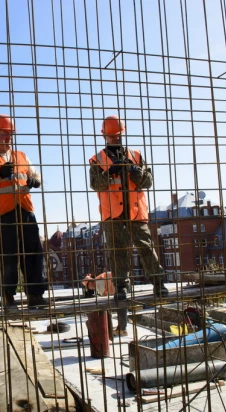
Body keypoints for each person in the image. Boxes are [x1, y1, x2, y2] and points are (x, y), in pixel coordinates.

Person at [89, 114, 168, 337]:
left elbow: (148, 181)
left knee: (146, 247)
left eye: (117, 135)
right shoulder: (97, 160)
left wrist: (138, 172)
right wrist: (110, 173)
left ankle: (159, 283)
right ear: (104, 135)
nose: (114, 139)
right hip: (113, 214)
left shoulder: (136, 156)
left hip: (134, 211)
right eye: (111, 136)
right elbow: (95, 184)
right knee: (117, 253)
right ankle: (121, 288)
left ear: (121, 134)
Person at [0, 114, 48, 309]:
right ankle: (7, 296)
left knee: (33, 253)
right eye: (5, 134)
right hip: (0, 214)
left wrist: (35, 181)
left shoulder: (21, 156)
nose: (9, 138)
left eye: (11, 134)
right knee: (4, 256)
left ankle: (35, 295)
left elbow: (36, 174)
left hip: (24, 210)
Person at [82, 272, 121, 340]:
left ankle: (117, 331)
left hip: (119, 287)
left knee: (110, 313)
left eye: (88, 287)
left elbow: (105, 297)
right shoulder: (99, 279)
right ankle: (115, 331)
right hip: (119, 284)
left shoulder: (98, 283)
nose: (90, 289)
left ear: (90, 283)